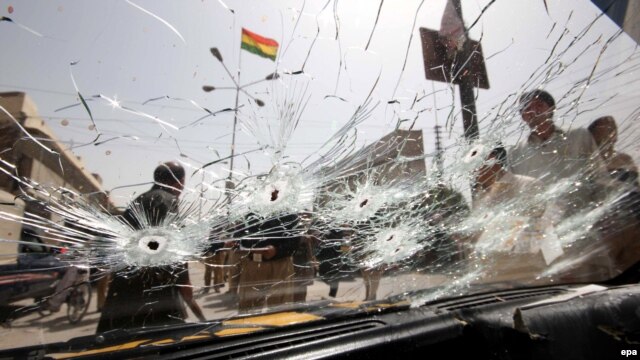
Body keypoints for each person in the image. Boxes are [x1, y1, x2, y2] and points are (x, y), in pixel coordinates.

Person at [97, 162, 205, 333]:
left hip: (127, 285)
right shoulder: (167, 201)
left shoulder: (139, 200)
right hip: (154, 290)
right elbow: (171, 246)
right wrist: (184, 281)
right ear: (181, 181)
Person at [508, 90, 607, 215]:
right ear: (522, 116)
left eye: (539, 105)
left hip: (585, 219)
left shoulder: (578, 136)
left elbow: (600, 176)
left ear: (552, 109)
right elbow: (515, 195)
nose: (533, 111)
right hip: (541, 230)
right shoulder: (515, 153)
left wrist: (602, 213)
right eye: (527, 108)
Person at [232, 212, 301, 313]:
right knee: (248, 309)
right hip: (253, 265)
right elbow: (237, 239)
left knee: (279, 309)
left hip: (280, 265)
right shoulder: (250, 215)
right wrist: (247, 247)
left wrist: (277, 250)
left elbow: (295, 242)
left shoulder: (289, 214)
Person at [588, 116, 638, 184]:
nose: (612, 128)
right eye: (605, 126)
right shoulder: (587, 160)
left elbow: (636, 183)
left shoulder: (624, 158)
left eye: (614, 126)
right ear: (594, 134)